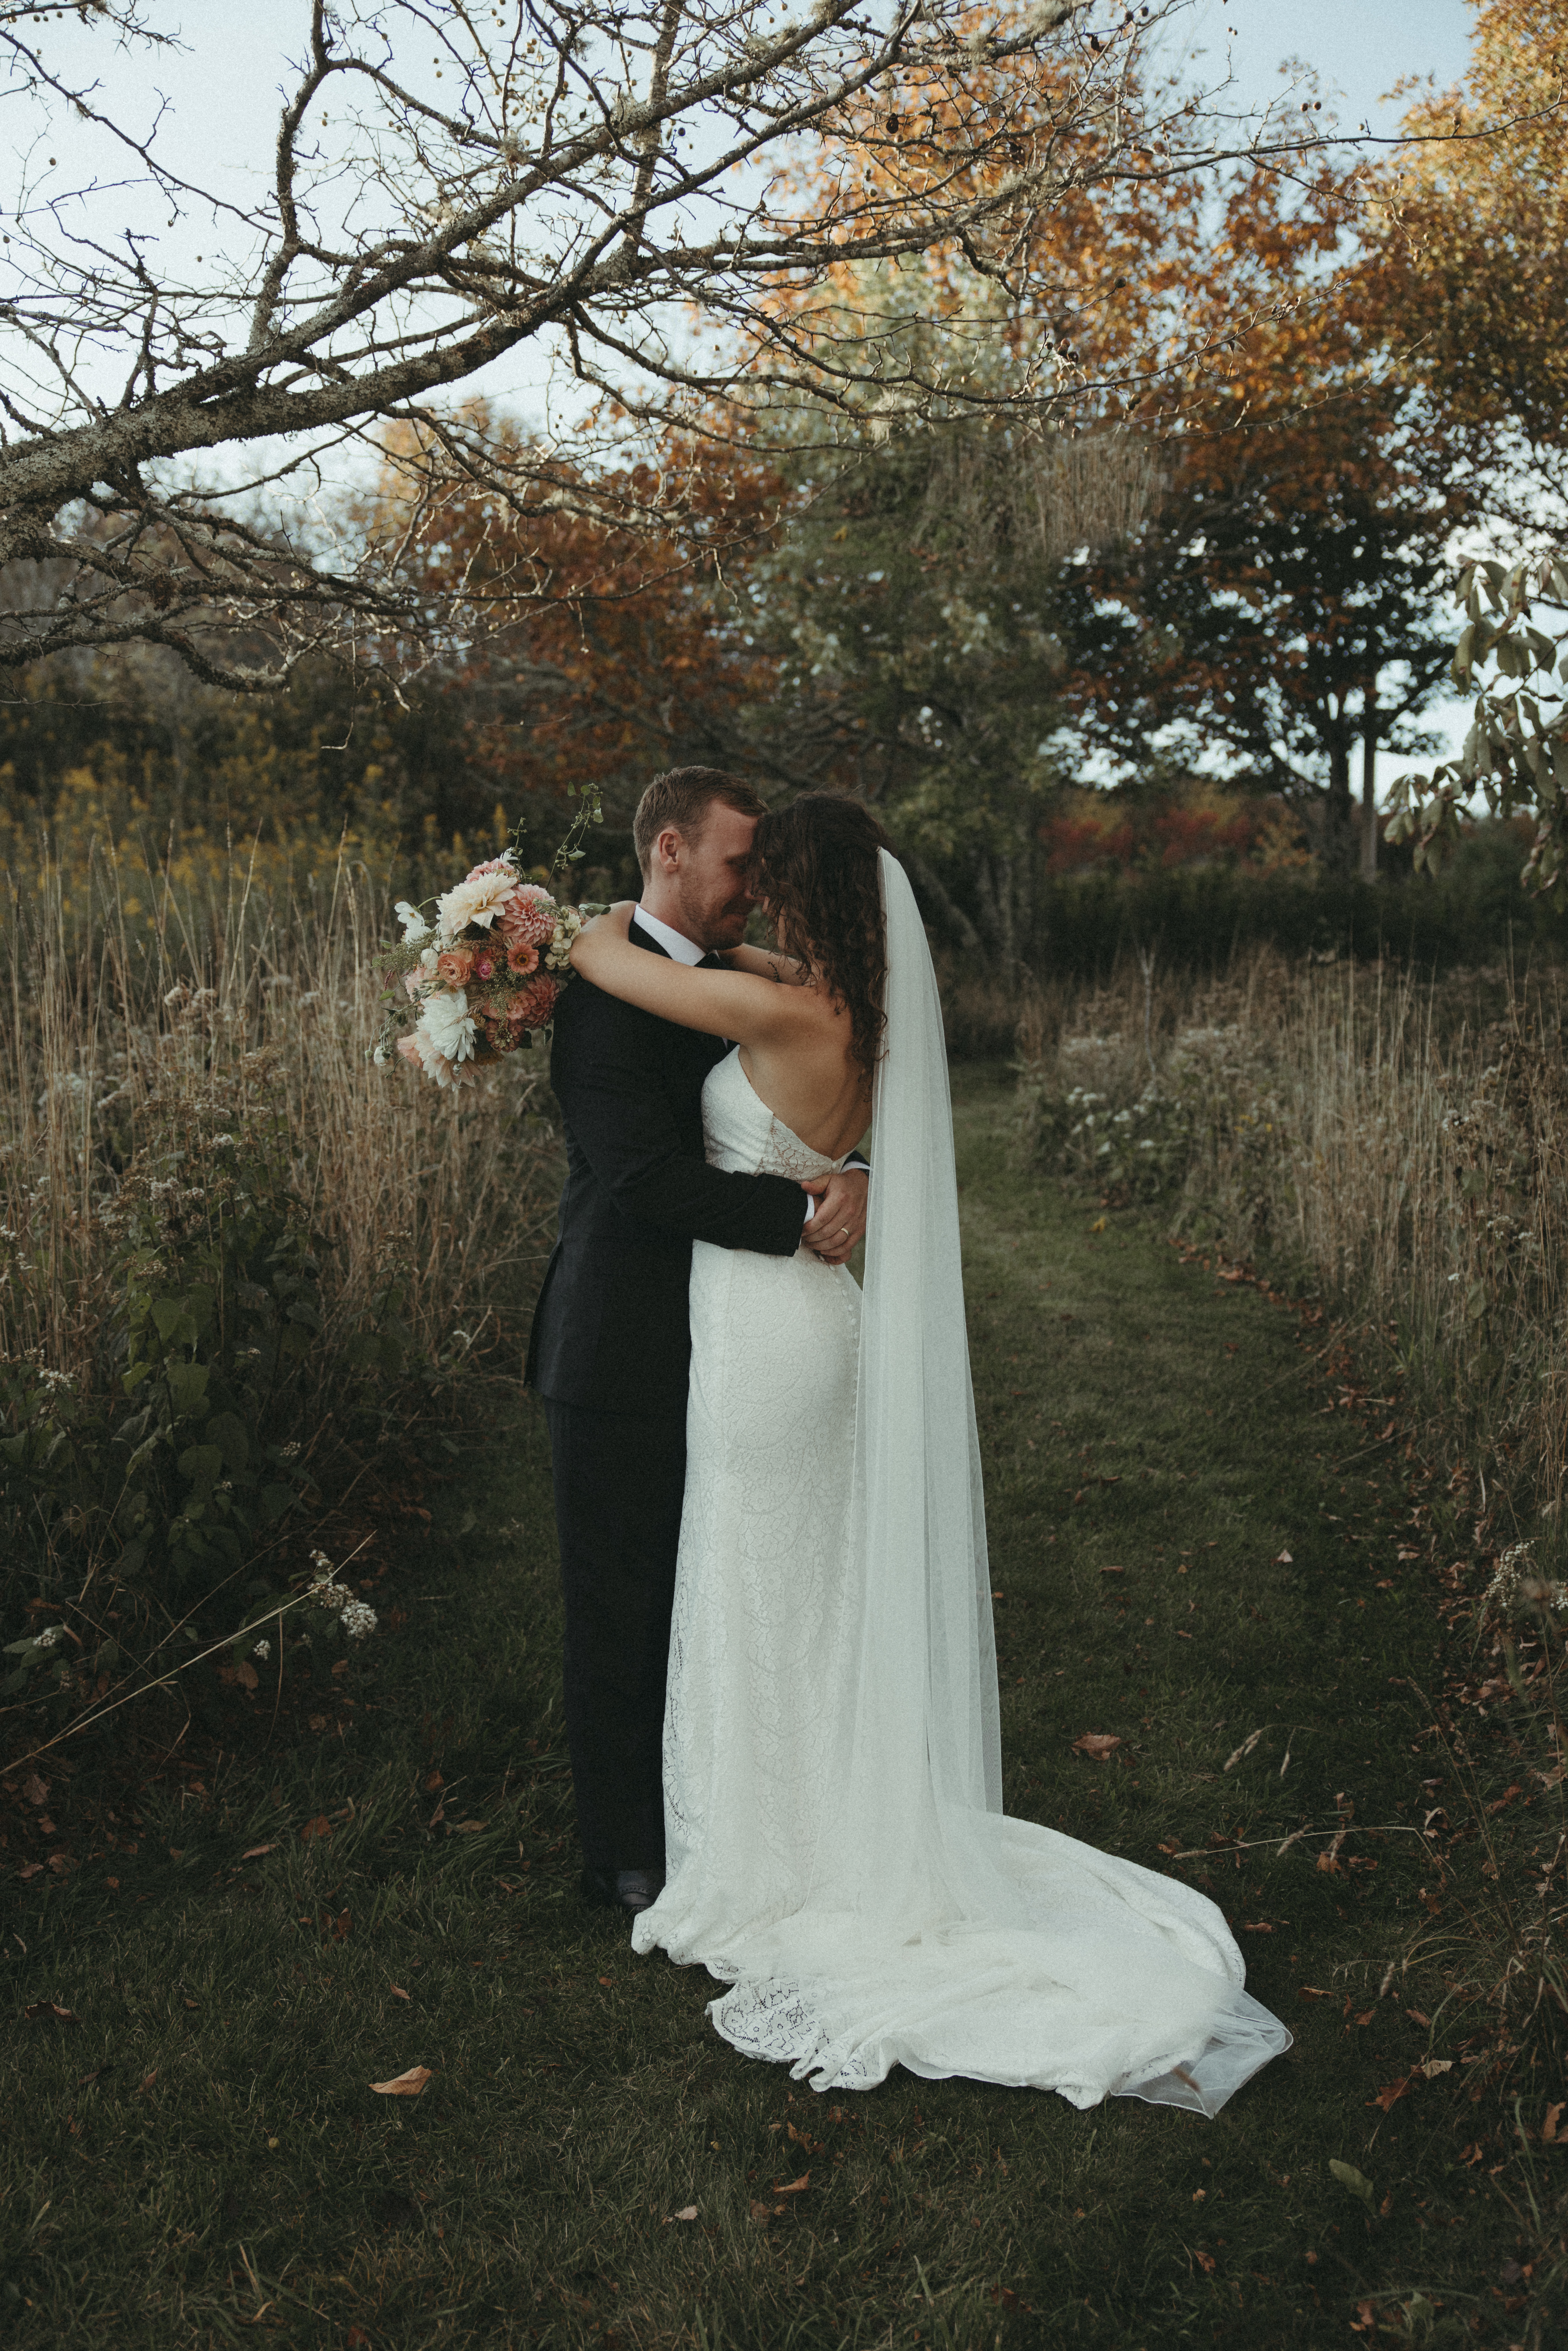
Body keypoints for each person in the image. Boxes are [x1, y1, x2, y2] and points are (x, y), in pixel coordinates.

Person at [568, 792, 1292, 2111]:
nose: (758, 902)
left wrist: (546, 926)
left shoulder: (782, 1009)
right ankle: (814, 1821)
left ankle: (761, 1853)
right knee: (806, 1586)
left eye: (770, 881)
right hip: (809, 1329)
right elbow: (742, 968)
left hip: (762, 1337)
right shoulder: (849, 1002)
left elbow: (615, 962)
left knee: (755, 1582)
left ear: (808, 894)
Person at [525, 768, 870, 1920]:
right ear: (669, 850)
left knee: (716, 1586)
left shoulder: (735, 980)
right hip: (620, 1337)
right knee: (619, 1603)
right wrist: (806, 1211)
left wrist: (853, 1173)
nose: (753, 890)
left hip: (739, 1342)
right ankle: (624, 1851)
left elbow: (803, 1101)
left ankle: (721, 1813)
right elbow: (643, 1177)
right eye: (737, 866)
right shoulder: (599, 995)